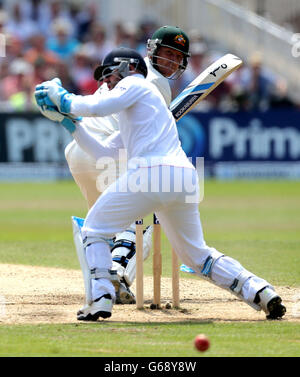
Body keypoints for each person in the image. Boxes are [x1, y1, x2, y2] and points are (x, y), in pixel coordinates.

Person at [35, 47, 286, 322]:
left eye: (107, 76)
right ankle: (260, 291)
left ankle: (100, 298)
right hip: (181, 178)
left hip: (151, 173)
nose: (105, 84)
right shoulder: (139, 114)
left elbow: (96, 107)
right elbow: (104, 153)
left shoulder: (135, 83)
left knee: (94, 229)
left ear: (127, 67)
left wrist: (63, 98)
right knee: (196, 256)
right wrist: (71, 125)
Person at [59, 25, 190, 309]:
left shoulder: (129, 74)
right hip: (108, 152)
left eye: (177, 58)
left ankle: (102, 282)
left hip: (81, 151)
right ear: (152, 52)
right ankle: (117, 273)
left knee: (105, 225)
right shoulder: (155, 82)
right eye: (167, 54)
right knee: (144, 220)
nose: (171, 62)